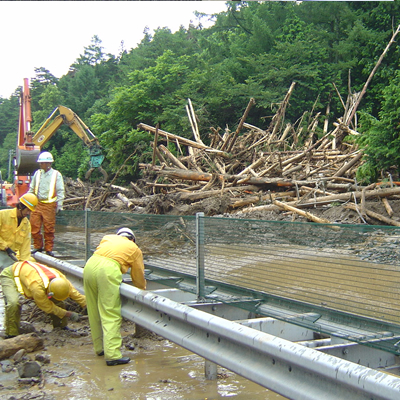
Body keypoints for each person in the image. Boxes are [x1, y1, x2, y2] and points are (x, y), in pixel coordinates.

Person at [83, 227, 146, 366]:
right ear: (133, 239)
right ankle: (112, 355)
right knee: (110, 312)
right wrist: (141, 290)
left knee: (93, 309)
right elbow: (138, 276)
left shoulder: (107, 237)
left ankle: (100, 348)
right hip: (108, 270)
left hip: (90, 265)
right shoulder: (134, 248)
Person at [0, 260, 86, 338]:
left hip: (28, 274)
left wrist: (90, 307)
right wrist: (69, 314)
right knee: (13, 303)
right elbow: (47, 307)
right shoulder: (37, 288)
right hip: (10, 275)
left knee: (58, 302)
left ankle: (61, 327)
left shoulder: (62, 281)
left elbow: (78, 296)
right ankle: (11, 334)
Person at [28, 151, 65, 256]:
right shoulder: (37, 173)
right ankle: (37, 247)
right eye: (40, 162)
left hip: (49, 206)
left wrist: (60, 205)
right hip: (37, 204)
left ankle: (48, 249)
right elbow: (32, 188)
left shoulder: (56, 175)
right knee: (34, 227)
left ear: (49, 163)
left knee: (49, 229)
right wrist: (27, 202)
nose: (40, 164)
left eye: (42, 162)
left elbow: (60, 191)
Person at [0, 193, 38, 271]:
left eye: (30, 211)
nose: (28, 213)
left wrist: (24, 265)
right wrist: (5, 247)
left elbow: (25, 248)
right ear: (21, 206)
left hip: (9, 257)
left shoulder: (26, 225)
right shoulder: (3, 215)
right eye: (27, 210)